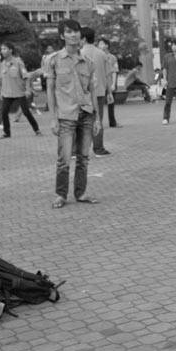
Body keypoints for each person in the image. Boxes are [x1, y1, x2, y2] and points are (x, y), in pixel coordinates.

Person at [46, 19, 100, 209]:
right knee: (64, 160)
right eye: (68, 32)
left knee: (84, 158)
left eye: (76, 31)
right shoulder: (53, 60)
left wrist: (98, 119)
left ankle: (81, 193)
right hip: (66, 115)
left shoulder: (88, 62)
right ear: (62, 36)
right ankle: (61, 194)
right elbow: (50, 90)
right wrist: (53, 119)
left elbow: (92, 91)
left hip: (86, 114)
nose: (73, 35)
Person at [0, 42, 40, 139]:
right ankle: (7, 133)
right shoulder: (2, 64)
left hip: (19, 92)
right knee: (4, 112)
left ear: (10, 50)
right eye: (2, 49)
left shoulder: (18, 62)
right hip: (7, 93)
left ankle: (36, 129)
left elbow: (26, 77)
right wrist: (1, 92)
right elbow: (3, 80)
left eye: (4, 49)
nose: (2, 51)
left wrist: (28, 89)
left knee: (26, 112)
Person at [80, 27, 111, 155]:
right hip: (99, 92)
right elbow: (108, 75)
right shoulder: (102, 54)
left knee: (80, 122)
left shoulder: (79, 53)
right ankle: (98, 149)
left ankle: (77, 151)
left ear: (84, 38)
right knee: (98, 120)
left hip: (82, 94)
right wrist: (109, 92)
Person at [98, 38, 120, 128]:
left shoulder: (112, 57)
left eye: (102, 43)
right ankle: (98, 122)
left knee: (111, 104)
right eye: (99, 44)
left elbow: (114, 71)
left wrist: (113, 84)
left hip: (110, 83)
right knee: (99, 104)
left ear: (107, 45)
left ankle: (112, 122)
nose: (100, 46)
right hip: (100, 84)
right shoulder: (98, 56)